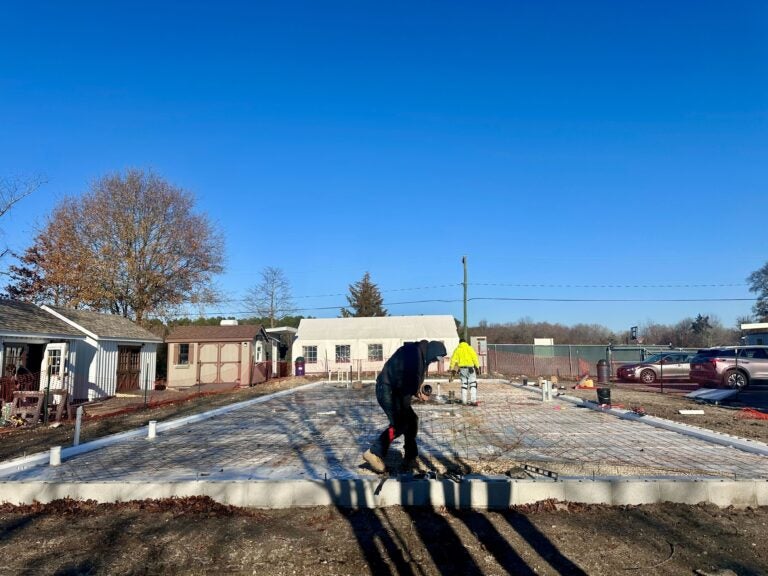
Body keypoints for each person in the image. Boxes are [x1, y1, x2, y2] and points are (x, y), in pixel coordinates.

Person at [363, 340, 447, 474]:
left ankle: (410, 457)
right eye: (435, 359)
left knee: (411, 420)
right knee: (400, 424)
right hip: (388, 390)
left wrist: (417, 392)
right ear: (431, 352)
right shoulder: (415, 357)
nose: (434, 362)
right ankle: (374, 453)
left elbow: (406, 379)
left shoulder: (417, 354)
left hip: (394, 390)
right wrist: (414, 395)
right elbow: (405, 380)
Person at [449, 338, 481, 405]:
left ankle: (464, 401)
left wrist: (451, 369)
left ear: (459, 343)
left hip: (462, 369)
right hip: (471, 369)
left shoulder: (457, 349)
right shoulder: (470, 348)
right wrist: (477, 367)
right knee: (473, 384)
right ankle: (473, 401)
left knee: (464, 385)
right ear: (466, 342)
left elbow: (453, 360)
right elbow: (475, 358)